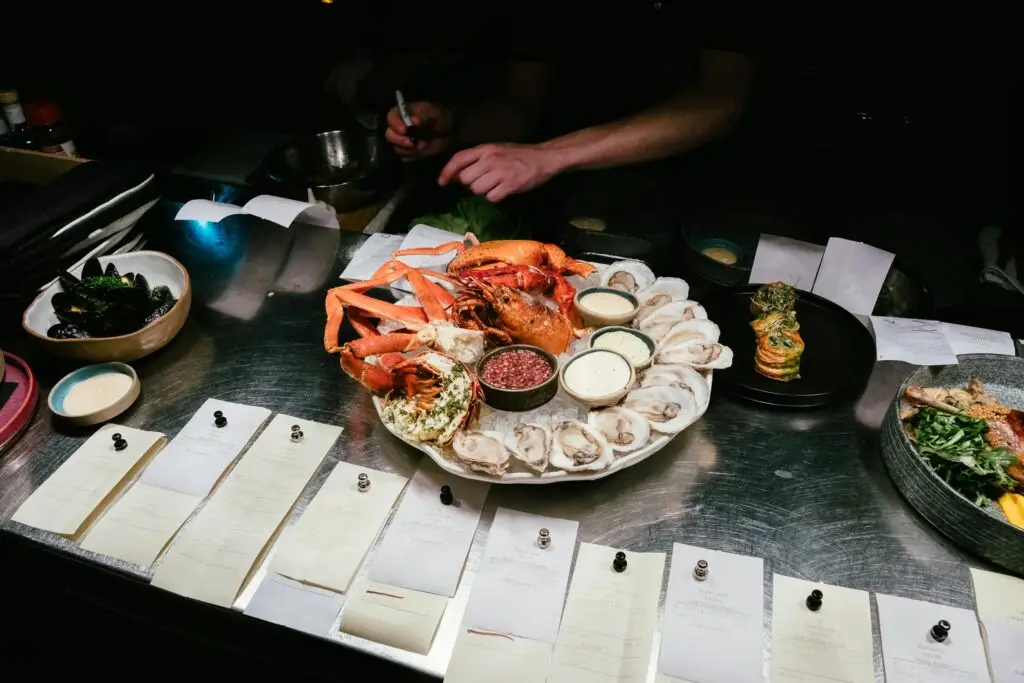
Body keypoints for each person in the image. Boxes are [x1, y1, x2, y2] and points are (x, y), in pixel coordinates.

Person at [384, 50, 755, 203]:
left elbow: (721, 101)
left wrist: (548, 156)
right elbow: (522, 105)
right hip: (566, 199)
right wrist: (456, 124)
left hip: (693, 189)